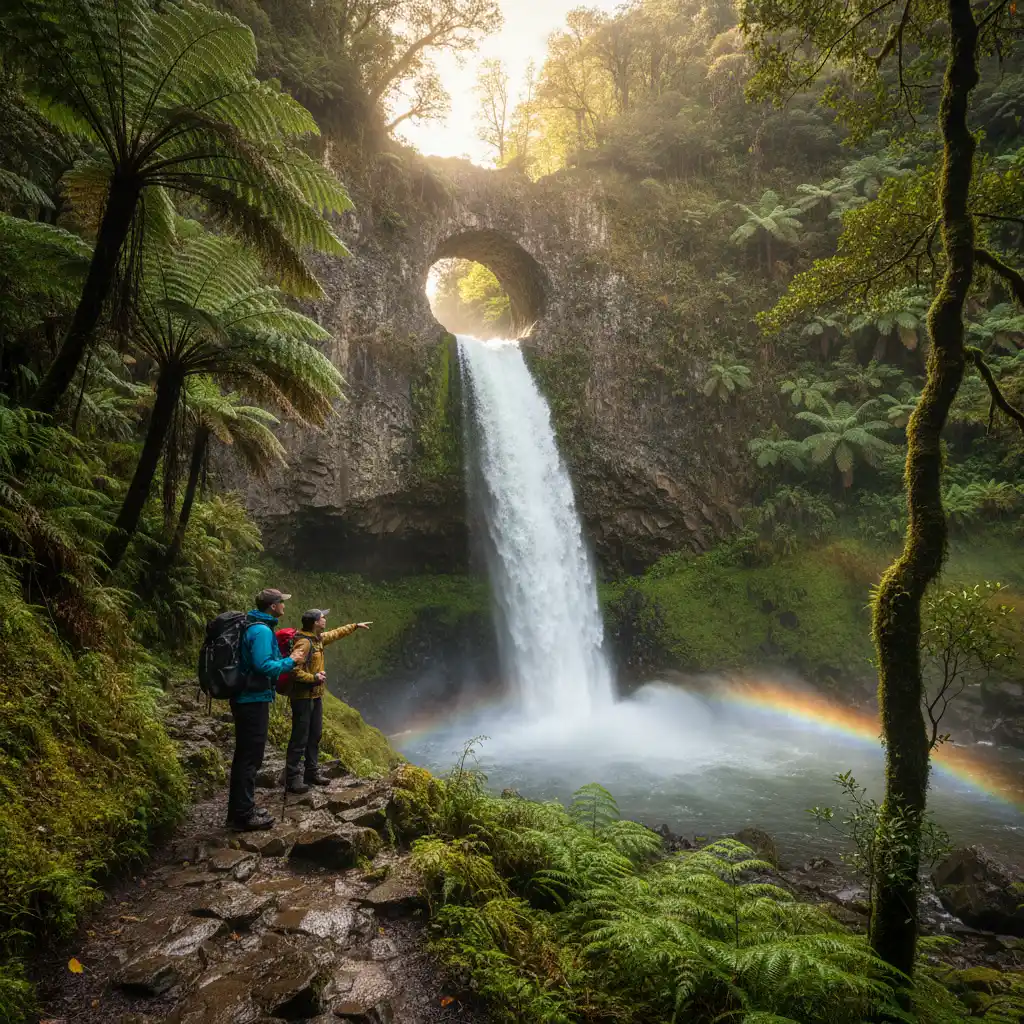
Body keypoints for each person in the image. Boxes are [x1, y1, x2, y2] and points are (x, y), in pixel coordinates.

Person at [227, 587, 296, 831]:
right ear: (273, 606)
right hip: (252, 699)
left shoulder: (252, 626)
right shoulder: (262, 631)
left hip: (247, 697)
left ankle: (239, 810)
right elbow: (263, 665)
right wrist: (291, 662)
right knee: (250, 758)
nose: (284, 606)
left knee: (244, 756)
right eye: (282, 603)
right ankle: (243, 815)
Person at [285, 609, 371, 794]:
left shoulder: (317, 639)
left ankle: (311, 772)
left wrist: (354, 626)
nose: (325, 619)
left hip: (316, 695)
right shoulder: (304, 643)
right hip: (302, 697)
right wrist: (314, 677)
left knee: (315, 735)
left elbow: (336, 633)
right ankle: (292, 778)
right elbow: (293, 670)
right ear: (316, 622)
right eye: (322, 617)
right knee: (300, 737)